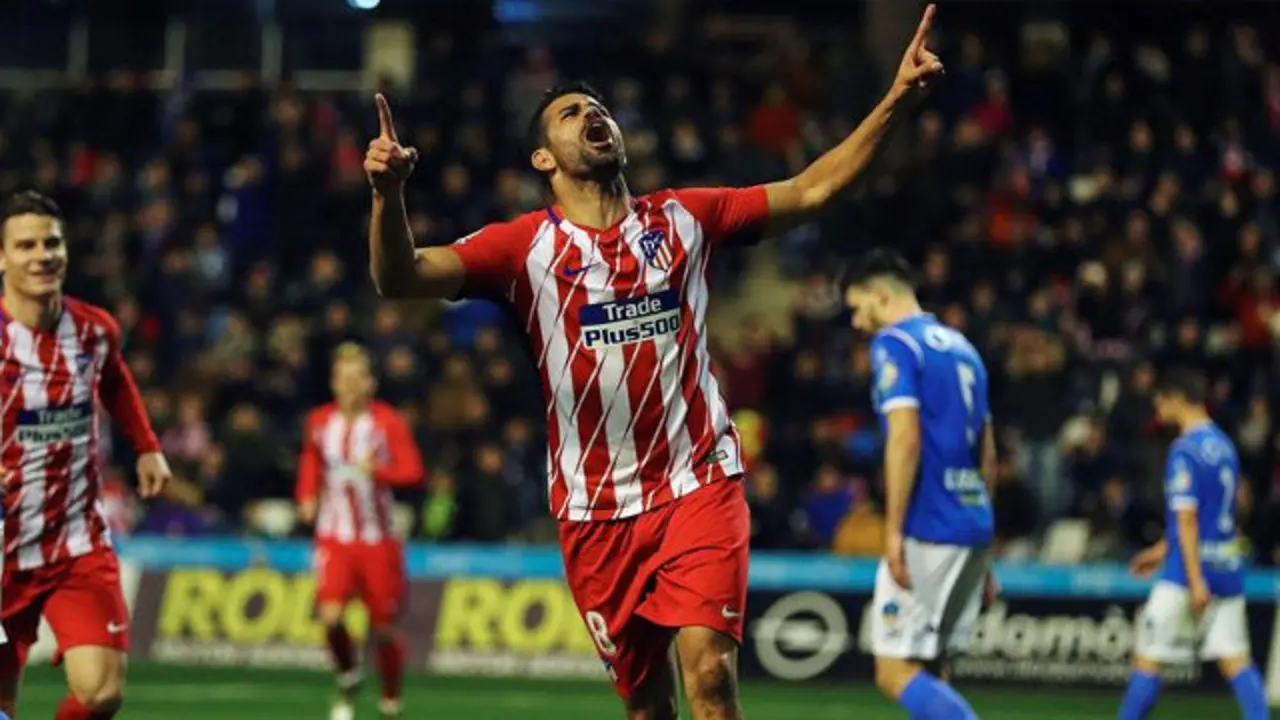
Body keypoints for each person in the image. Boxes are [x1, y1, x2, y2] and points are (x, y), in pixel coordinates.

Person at [363, 6, 943, 717]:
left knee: (710, 683)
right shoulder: (521, 250)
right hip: (594, 512)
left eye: (598, 108)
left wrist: (895, 101)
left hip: (697, 485)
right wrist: (388, 196)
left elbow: (813, 188)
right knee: (647, 707)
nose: (592, 115)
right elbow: (400, 278)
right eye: (572, 113)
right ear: (543, 160)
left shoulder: (683, 218)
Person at [0, 190, 171, 720]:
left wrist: (146, 447)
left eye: (51, 243)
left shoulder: (94, 329)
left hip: (75, 541)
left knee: (101, 693)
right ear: (2, 257)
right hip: (3, 546)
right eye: (25, 245)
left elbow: (115, 381)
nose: (41, 255)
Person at [843, 249, 996, 720]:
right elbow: (987, 453)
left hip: (928, 526)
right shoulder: (962, 347)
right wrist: (987, 548)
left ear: (880, 296)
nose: (855, 321)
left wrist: (892, 533)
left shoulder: (896, 345)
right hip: (972, 522)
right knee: (931, 666)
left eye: (856, 307)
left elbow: (904, 439)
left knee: (893, 669)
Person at [1119, 369, 1268, 720]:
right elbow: (1227, 507)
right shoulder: (1225, 445)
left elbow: (1187, 519)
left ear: (1176, 398)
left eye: (1160, 398)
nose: (1156, 405)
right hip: (1226, 567)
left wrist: (1194, 577)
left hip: (1188, 574)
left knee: (1148, 659)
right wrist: (1159, 550)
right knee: (1236, 660)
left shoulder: (1184, 450)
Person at [297, 342, 425, 720]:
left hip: (378, 540)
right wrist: (306, 495)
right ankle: (349, 672)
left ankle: (390, 699)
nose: (350, 386)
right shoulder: (320, 421)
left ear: (370, 383)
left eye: (357, 379)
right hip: (334, 537)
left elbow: (414, 472)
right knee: (331, 617)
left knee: (384, 629)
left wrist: (379, 472)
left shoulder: (387, 423)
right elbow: (311, 459)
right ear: (334, 383)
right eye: (343, 379)